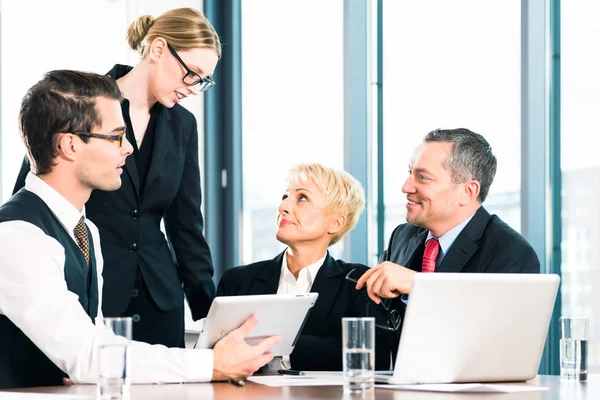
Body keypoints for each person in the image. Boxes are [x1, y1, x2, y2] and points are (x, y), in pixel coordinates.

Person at [0, 70, 279, 389]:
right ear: (70, 146)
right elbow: (89, 356)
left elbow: (97, 341)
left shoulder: (85, 229)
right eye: (116, 136)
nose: (129, 148)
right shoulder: (18, 236)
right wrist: (213, 363)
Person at [14, 8, 218, 348]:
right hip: (90, 289)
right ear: (158, 49)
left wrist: (207, 308)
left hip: (159, 296)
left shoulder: (183, 125)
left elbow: (186, 225)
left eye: (203, 81)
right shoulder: (81, 101)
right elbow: (34, 191)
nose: (194, 88)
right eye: (192, 73)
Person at [217, 163, 395, 371]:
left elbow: (372, 356)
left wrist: (275, 349)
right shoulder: (238, 280)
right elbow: (213, 353)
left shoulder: (358, 282)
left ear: (335, 223)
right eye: (285, 197)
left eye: (302, 198)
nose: (283, 207)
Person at [356, 128, 540, 329]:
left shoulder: (510, 253)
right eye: (410, 173)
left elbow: (498, 334)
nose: (406, 187)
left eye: (423, 177)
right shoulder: (402, 236)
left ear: (467, 191)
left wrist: (421, 286)